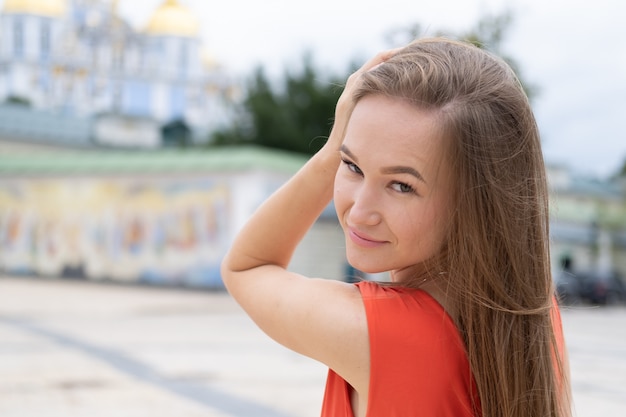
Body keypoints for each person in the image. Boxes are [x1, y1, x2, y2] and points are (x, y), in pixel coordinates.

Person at [221, 37, 571, 417]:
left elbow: (246, 265)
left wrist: (331, 151)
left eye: (402, 185)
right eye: (351, 165)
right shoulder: (531, 312)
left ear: (474, 201)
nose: (359, 213)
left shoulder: (373, 331)